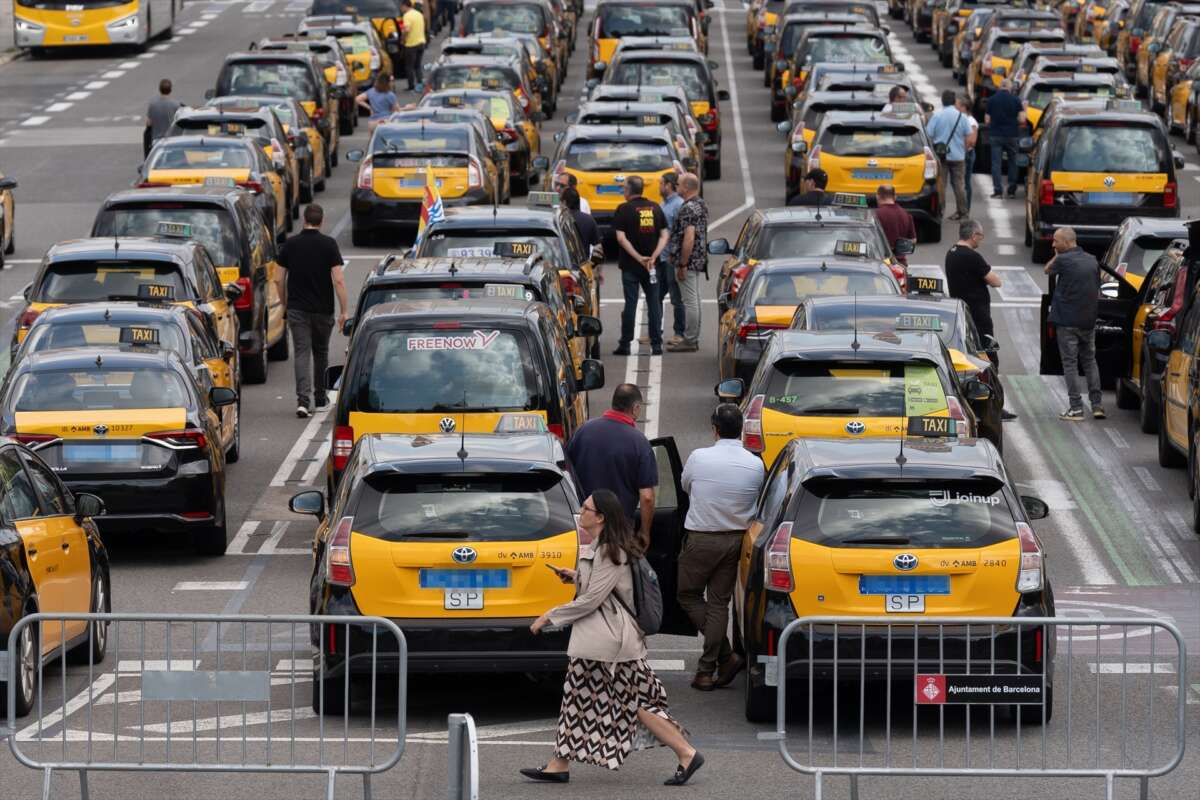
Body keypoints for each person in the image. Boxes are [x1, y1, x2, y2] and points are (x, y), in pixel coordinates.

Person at [524, 490, 704, 787]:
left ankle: (687, 752)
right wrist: (574, 576)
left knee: (626, 701)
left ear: (601, 517)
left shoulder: (612, 550)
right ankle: (558, 763)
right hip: (605, 641)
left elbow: (592, 599)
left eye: (586, 507)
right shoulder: (604, 546)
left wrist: (550, 616)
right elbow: (600, 587)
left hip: (609, 642)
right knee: (584, 700)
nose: (581, 511)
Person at [677, 404, 765, 691]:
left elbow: (687, 487)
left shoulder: (699, 458)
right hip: (737, 541)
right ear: (741, 429)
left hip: (702, 537)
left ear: (715, 429)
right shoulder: (755, 464)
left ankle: (721, 659)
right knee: (719, 603)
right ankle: (710, 667)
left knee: (687, 594)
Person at [275, 204, 350, 418]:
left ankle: (302, 400)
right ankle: (320, 397)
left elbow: (278, 278)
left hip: (297, 308)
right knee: (321, 352)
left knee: (301, 352)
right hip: (323, 309)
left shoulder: (290, 244)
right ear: (322, 221)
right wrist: (344, 311)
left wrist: (284, 303)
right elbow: (338, 279)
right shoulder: (329, 245)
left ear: (304, 220)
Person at [565, 384, 657, 537]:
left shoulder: (583, 431)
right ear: (635, 408)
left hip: (584, 523)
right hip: (619, 529)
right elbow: (647, 497)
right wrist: (645, 532)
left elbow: (566, 470)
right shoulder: (639, 443)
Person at [1045, 227, 1105, 421]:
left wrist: (1055, 256)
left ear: (1067, 242)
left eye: (1056, 241)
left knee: (1070, 364)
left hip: (1067, 321)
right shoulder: (1092, 260)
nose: (1053, 244)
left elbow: (1047, 270)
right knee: (1089, 361)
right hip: (1088, 320)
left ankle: (1076, 408)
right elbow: (1098, 285)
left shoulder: (1062, 260)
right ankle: (1097, 405)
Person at [612, 176, 668, 356]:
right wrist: (653, 256)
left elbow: (621, 238)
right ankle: (657, 344)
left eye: (624, 189)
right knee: (654, 304)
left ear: (628, 190)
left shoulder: (623, 209)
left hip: (630, 266)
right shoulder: (656, 208)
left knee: (631, 304)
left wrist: (638, 258)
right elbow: (664, 235)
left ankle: (625, 344)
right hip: (652, 266)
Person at [667, 173, 708, 352]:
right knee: (695, 300)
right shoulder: (700, 204)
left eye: (678, 184)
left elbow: (689, 238)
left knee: (690, 301)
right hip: (698, 259)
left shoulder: (688, 208)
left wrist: (682, 264)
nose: (676, 187)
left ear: (686, 187)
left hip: (689, 262)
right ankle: (692, 337)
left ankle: (690, 339)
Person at [926, 90, 971, 220]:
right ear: (954, 101)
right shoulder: (961, 117)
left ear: (942, 101)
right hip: (958, 156)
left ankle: (940, 211)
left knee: (941, 185)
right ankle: (963, 212)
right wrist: (964, 150)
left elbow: (929, 134)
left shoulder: (937, 116)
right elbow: (968, 136)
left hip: (941, 156)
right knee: (959, 185)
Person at [657, 172, 686, 347]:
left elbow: (680, 234)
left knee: (676, 298)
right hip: (661, 257)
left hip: (670, 258)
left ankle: (679, 333)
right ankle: (655, 330)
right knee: (656, 296)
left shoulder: (678, 205)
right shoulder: (664, 204)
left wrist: (677, 257)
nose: (659, 186)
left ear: (668, 185)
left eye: (661, 183)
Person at [985, 78, 1025, 198]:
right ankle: (1011, 190)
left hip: (995, 135)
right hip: (1012, 135)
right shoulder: (1016, 100)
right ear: (1010, 87)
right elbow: (1022, 119)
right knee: (1013, 162)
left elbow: (987, 120)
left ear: (1000, 86)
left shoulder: (991, 100)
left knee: (996, 164)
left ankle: (998, 190)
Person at [874, 184, 917, 265]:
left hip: (882, 265)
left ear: (878, 196)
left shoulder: (876, 215)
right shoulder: (906, 214)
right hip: (901, 265)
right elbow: (913, 241)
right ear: (895, 197)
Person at [145, 78, 181, 157]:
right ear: (170, 89)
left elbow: (148, 123)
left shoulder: (152, 104)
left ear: (159, 89)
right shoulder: (176, 104)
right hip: (172, 140)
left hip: (156, 141)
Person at [563, 187, 600, 254]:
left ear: (564, 202)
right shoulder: (589, 220)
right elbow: (598, 250)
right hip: (583, 262)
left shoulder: (560, 220)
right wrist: (592, 264)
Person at [399, 0, 426, 92]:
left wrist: (402, 40)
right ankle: (420, 84)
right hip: (421, 42)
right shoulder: (419, 14)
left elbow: (406, 30)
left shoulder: (407, 16)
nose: (401, 9)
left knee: (409, 66)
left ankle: (411, 86)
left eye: (401, 7)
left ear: (404, 6)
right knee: (417, 66)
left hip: (411, 44)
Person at [958, 95, 979, 211]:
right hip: (962, 152)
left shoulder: (971, 121)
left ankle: (966, 208)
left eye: (958, 106)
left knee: (965, 182)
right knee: (960, 182)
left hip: (967, 154)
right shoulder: (962, 119)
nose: (956, 108)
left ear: (965, 107)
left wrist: (962, 149)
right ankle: (961, 208)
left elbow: (972, 141)